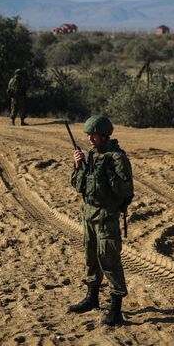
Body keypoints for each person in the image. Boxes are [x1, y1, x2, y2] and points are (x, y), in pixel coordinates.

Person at [68, 115, 134, 326]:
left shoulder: (117, 158)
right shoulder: (91, 156)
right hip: (88, 214)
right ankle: (92, 297)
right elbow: (79, 187)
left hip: (106, 217)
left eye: (93, 135)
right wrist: (77, 166)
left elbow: (126, 190)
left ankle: (116, 311)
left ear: (104, 135)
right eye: (87, 135)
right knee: (91, 257)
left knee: (109, 260)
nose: (89, 139)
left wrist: (108, 175)